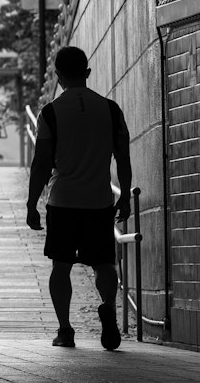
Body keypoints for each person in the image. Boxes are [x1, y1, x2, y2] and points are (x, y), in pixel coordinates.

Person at [26, 46, 133, 350]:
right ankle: (109, 310)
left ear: (58, 77)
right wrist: (124, 196)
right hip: (99, 201)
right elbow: (123, 160)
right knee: (104, 264)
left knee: (61, 267)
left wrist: (32, 203)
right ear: (87, 73)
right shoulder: (111, 110)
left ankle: (65, 330)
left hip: (62, 202)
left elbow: (41, 162)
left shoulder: (50, 113)